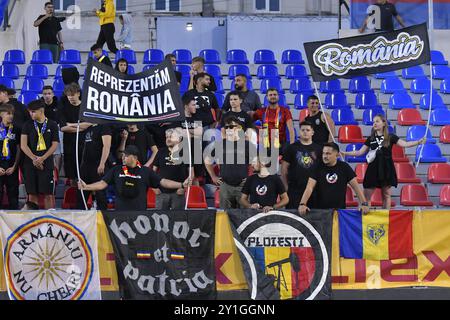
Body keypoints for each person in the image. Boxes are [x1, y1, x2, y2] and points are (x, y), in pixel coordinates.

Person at [342, 114, 426, 209]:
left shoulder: (391, 137)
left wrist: (418, 142)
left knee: (386, 194)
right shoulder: (370, 139)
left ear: (384, 123)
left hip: (386, 168)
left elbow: (405, 144)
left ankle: (386, 216)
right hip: (373, 168)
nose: (374, 123)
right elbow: (359, 152)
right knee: (366, 196)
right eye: (373, 122)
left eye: (377, 121)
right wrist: (344, 153)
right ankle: (366, 217)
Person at [78, 145, 191, 211]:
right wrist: (86, 187)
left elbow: (163, 182)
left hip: (140, 215)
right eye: (123, 155)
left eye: (126, 155)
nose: (123, 157)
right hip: (120, 214)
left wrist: (181, 184)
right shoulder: (116, 170)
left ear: (135, 157)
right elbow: (102, 184)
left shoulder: (145, 171)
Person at [298, 142, 369, 215]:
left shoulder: (344, 167)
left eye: (328, 154)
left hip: (339, 212)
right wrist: (302, 204)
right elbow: (309, 187)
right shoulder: (317, 167)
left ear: (337, 155)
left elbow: (356, 187)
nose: (325, 156)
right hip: (320, 212)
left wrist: (364, 204)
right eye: (324, 153)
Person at [205, 116, 256, 209]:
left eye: (231, 127)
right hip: (225, 185)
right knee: (224, 215)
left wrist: (250, 178)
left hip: (242, 186)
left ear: (238, 128)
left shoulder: (247, 144)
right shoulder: (220, 144)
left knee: (243, 216)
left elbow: (257, 163)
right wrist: (213, 176)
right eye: (226, 127)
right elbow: (207, 160)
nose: (228, 129)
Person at [21, 100, 59, 209]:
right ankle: (33, 220)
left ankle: (50, 219)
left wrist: (42, 158)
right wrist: (34, 159)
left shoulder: (52, 124)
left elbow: (54, 144)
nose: (30, 114)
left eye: (33, 112)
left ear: (41, 111)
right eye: (30, 112)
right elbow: (23, 145)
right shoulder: (27, 124)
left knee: (48, 194)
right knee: (32, 194)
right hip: (30, 163)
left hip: (46, 163)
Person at [281, 121, 323, 209]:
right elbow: (284, 170)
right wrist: (286, 188)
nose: (305, 132)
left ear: (312, 132)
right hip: (294, 190)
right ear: (299, 132)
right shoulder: (291, 148)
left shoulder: (319, 149)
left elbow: (322, 170)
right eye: (302, 130)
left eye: (308, 130)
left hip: (314, 191)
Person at [58, 83, 92, 185]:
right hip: (69, 145)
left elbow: (89, 123)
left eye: (72, 95)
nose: (70, 98)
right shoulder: (63, 108)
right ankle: (73, 195)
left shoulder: (85, 107)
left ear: (78, 94)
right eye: (68, 95)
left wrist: (72, 125)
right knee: (72, 174)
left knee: (85, 172)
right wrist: (80, 127)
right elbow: (63, 127)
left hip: (85, 143)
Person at [153, 128, 194, 210]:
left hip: (178, 192)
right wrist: (155, 188)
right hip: (161, 193)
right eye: (166, 137)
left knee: (178, 219)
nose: (168, 139)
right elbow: (153, 172)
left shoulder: (185, 153)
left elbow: (191, 174)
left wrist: (183, 188)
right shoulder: (160, 152)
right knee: (160, 220)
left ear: (179, 139)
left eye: (171, 137)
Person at [77, 124, 112, 210]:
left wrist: (102, 163)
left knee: (100, 194)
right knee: (81, 193)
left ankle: (103, 218)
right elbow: (74, 127)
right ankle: (81, 218)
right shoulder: (88, 128)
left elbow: (107, 146)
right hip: (85, 166)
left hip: (97, 165)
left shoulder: (104, 127)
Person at [253, 88, 295, 153]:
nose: (273, 96)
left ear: (278, 96)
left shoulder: (285, 111)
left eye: (275, 95)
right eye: (270, 95)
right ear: (267, 97)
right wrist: (257, 130)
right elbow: (248, 122)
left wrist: (292, 146)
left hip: (280, 144)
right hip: (265, 144)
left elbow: (291, 130)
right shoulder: (261, 111)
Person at [0, 104, 21, 209]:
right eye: (8, 113)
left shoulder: (17, 129)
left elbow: (18, 149)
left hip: (11, 166)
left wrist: (14, 166)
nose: (11, 116)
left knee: (13, 194)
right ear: (1, 114)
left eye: (12, 113)